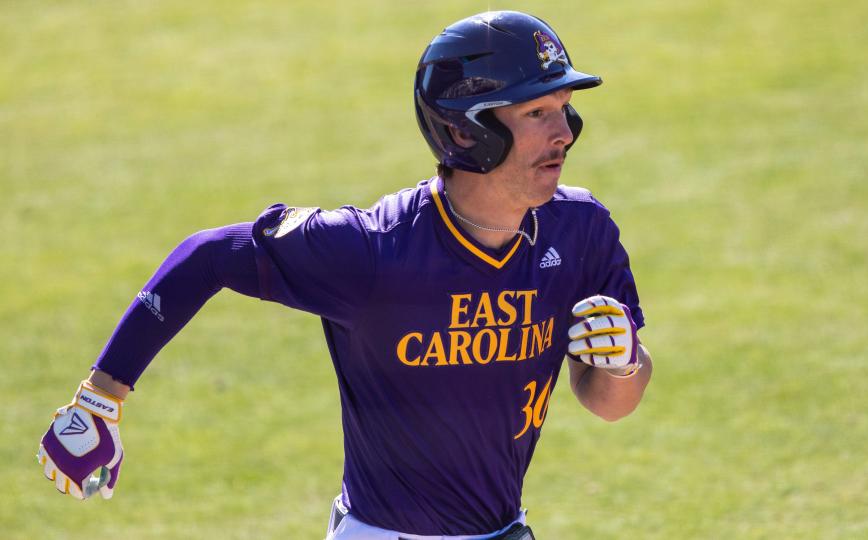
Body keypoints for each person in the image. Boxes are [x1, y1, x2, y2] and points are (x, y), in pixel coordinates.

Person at [37, 10, 653, 539]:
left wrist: (623, 361)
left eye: (566, 110)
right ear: (470, 131)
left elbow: (609, 404)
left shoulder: (581, 231)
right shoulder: (371, 250)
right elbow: (206, 256)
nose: (565, 134)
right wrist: (100, 399)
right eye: (539, 112)